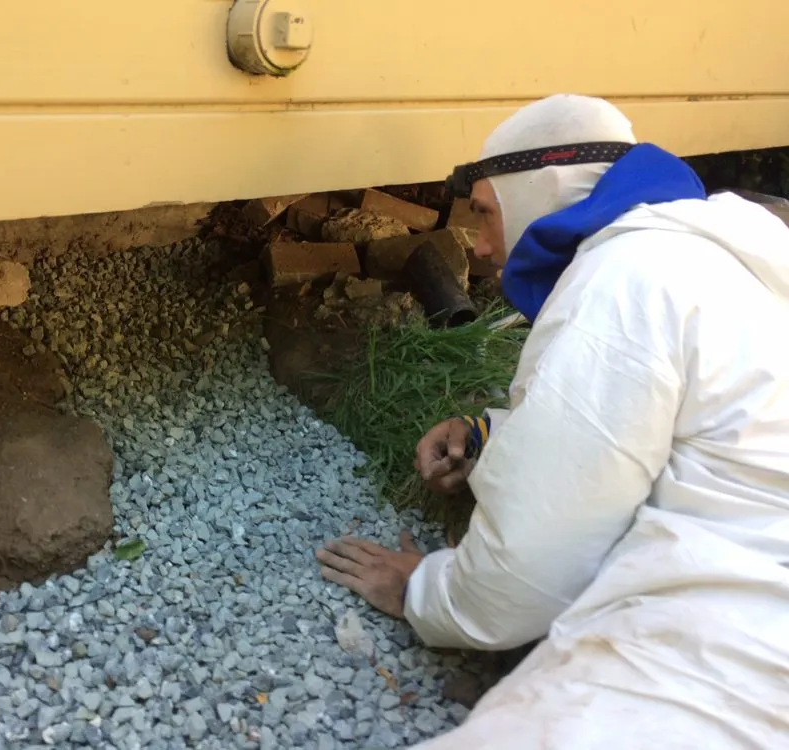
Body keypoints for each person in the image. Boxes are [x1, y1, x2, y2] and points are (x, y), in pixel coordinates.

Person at [315, 93, 789, 748]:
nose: (480, 246)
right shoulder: (717, 257)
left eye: (485, 212)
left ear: (542, 188)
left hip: (742, 644)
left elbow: (528, 572)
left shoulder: (625, 276)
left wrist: (423, 591)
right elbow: (645, 430)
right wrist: (487, 433)